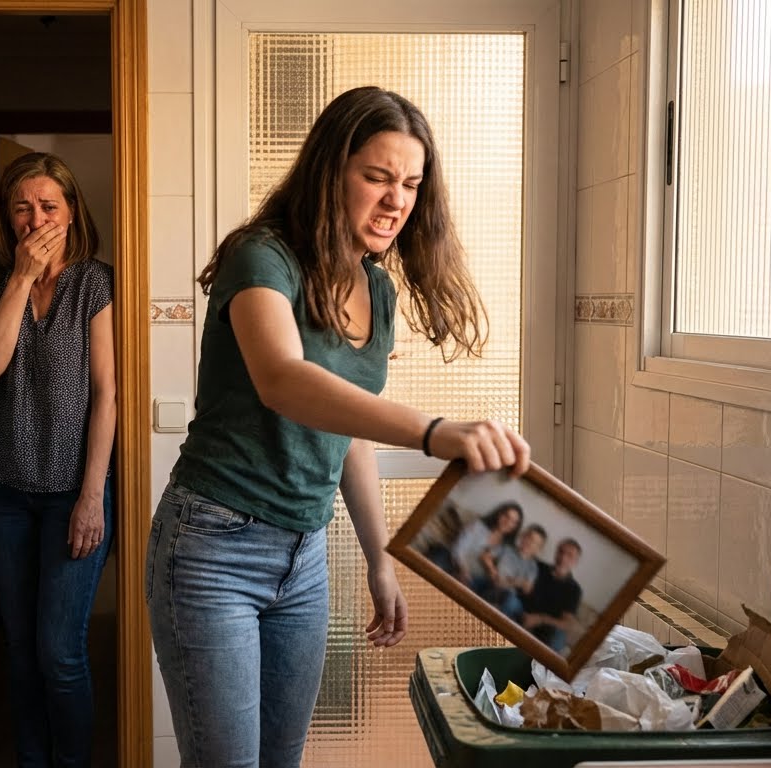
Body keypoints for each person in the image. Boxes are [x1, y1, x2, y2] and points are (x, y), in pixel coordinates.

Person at [145, 85, 532, 767]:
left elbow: (345, 428)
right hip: (212, 546)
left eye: (410, 184)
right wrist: (435, 432)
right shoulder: (261, 257)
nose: (396, 201)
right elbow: (283, 379)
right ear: (331, 172)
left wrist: (380, 560)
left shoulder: (377, 289)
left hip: (303, 556)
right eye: (377, 177)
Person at [0, 151, 115, 767]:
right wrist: (21, 279)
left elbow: (107, 395)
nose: (35, 221)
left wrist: (92, 497)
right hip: (5, 492)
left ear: (72, 210)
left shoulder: (96, 282)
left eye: (48, 206)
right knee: (21, 649)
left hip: (72, 493)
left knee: (60, 651)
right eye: (22, 209)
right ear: (7, 218)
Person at [523, 538, 584, 653]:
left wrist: (541, 619)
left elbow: (567, 623)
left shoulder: (574, 589)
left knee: (559, 636)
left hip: (546, 627)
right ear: (556, 553)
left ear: (575, 561)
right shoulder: (539, 567)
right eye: (561, 552)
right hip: (522, 612)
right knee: (510, 600)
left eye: (569, 555)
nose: (563, 558)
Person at [479, 523, 546, 623]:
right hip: (494, 587)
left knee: (511, 601)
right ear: (522, 536)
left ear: (538, 549)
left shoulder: (533, 566)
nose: (530, 543)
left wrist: (510, 582)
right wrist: (492, 570)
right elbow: (485, 556)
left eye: (535, 543)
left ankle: (497, 622)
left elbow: (527, 588)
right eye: (529, 537)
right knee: (480, 582)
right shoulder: (507, 549)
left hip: (511, 596)